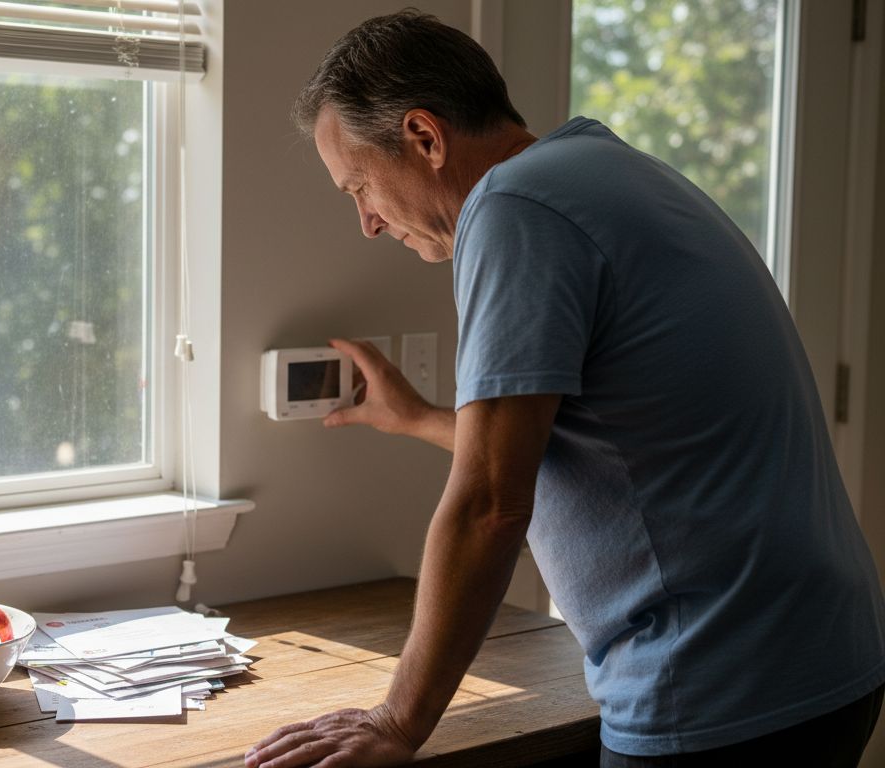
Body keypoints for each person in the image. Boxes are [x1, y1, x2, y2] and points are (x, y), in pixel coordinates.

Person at [243, 10, 885, 768]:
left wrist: (396, 721)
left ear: (424, 136)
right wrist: (414, 419)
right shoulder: (604, 171)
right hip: (822, 663)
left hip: (718, 689)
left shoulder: (514, 209)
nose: (368, 224)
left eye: (360, 187)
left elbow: (491, 502)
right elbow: (597, 437)